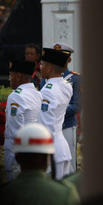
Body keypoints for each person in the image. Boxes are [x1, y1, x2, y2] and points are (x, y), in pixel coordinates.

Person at [4, 60, 42, 181]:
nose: (10, 79)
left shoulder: (16, 96)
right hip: (33, 151)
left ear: (18, 76)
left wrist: (14, 159)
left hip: (17, 156)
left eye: (11, 75)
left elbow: (16, 131)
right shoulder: (37, 94)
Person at [38, 48, 73, 180]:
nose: (40, 68)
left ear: (50, 68)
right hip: (61, 146)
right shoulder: (66, 85)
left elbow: (46, 126)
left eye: (42, 65)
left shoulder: (47, 91)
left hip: (51, 150)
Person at [51, 42, 82, 175]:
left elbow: (77, 106)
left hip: (67, 125)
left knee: (68, 164)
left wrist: (58, 112)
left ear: (68, 60)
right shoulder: (45, 79)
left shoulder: (75, 79)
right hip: (50, 126)